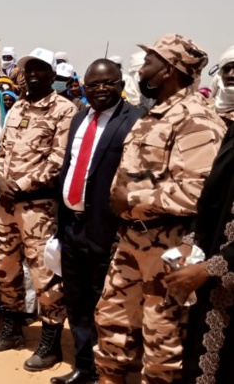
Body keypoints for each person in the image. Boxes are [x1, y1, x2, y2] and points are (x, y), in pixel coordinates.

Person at [95, 34, 225, 384]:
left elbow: (200, 193)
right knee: (111, 326)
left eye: (150, 61)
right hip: (131, 242)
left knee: (162, 344)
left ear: (169, 69)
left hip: (168, 247)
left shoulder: (196, 119)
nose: (142, 69)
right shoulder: (153, 115)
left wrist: (133, 200)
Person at [52, 59, 141, 384]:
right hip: (72, 226)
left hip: (108, 229)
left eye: (108, 83)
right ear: (84, 87)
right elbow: (70, 166)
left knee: (109, 305)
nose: (100, 89)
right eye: (93, 84)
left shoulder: (135, 121)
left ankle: (111, 371)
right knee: (77, 300)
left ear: (121, 85)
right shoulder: (79, 118)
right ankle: (85, 367)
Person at [0, 48, 76, 372]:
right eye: (29, 70)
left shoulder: (64, 110)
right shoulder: (17, 107)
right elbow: (2, 150)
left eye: (40, 70)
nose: (33, 75)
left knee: (45, 276)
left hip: (39, 207)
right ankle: (12, 330)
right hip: (7, 204)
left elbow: (58, 160)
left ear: (53, 75)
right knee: (6, 268)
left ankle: (50, 344)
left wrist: (20, 185)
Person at [177, 44, 234, 384]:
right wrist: (190, 242)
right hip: (215, 280)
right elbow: (212, 200)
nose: (233, 74)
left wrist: (211, 268)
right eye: (228, 67)